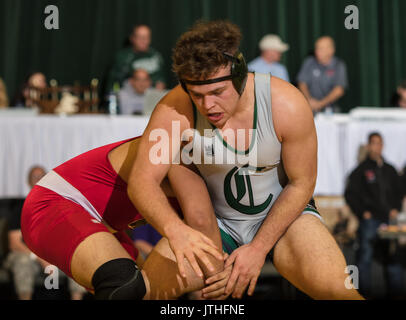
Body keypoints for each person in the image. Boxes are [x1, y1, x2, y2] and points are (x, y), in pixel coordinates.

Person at [130, 20, 363, 300]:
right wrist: (176, 231)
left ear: (239, 75)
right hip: (214, 226)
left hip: (283, 218)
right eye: (197, 96)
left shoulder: (285, 103)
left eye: (217, 93)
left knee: (341, 293)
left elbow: (302, 183)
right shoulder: (175, 107)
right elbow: (142, 181)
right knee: (140, 293)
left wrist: (258, 248)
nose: (208, 106)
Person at [21, 137, 228, 300]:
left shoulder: (224, 192)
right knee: (121, 281)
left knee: (140, 290)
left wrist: (226, 271)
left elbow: (212, 259)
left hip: (100, 224)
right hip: (53, 202)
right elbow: (205, 235)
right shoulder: (179, 151)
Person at [5, 166, 85, 300]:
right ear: (29, 182)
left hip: (54, 256)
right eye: (35, 178)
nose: (38, 180)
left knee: (77, 259)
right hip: (29, 256)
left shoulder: (59, 208)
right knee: (22, 261)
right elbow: (14, 243)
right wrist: (39, 258)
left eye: (42, 177)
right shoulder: (21, 209)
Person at [345, 132, 404, 299]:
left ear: (382, 146)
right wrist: (363, 212)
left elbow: (399, 192)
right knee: (364, 258)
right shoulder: (360, 171)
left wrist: (395, 208)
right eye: (373, 143)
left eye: (379, 143)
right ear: (368, 146)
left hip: (390, 220)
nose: (376, 147)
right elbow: (350, 194)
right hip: (370, 221)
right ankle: (363, 295)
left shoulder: (390, 170)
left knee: (394, 258)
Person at [106, 24, 166, 94]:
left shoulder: (156, 56)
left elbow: (161, 80)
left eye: (146, 37)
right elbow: (114, 83)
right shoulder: (123, 57)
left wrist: (159, 86)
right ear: (132, 38)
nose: (143, 41)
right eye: (140, 37)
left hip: (152, 96)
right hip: (129, 97)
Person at [297, 36, 348, 114]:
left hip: (330, 110)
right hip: (308, 107)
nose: (317, 51)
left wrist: (320, 104)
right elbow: (302, 83)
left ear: (331, 50)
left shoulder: (338, 65)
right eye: (317, 48)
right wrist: (309, 100)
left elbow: (339, 90)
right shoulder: (309, 62)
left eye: (321, 48)